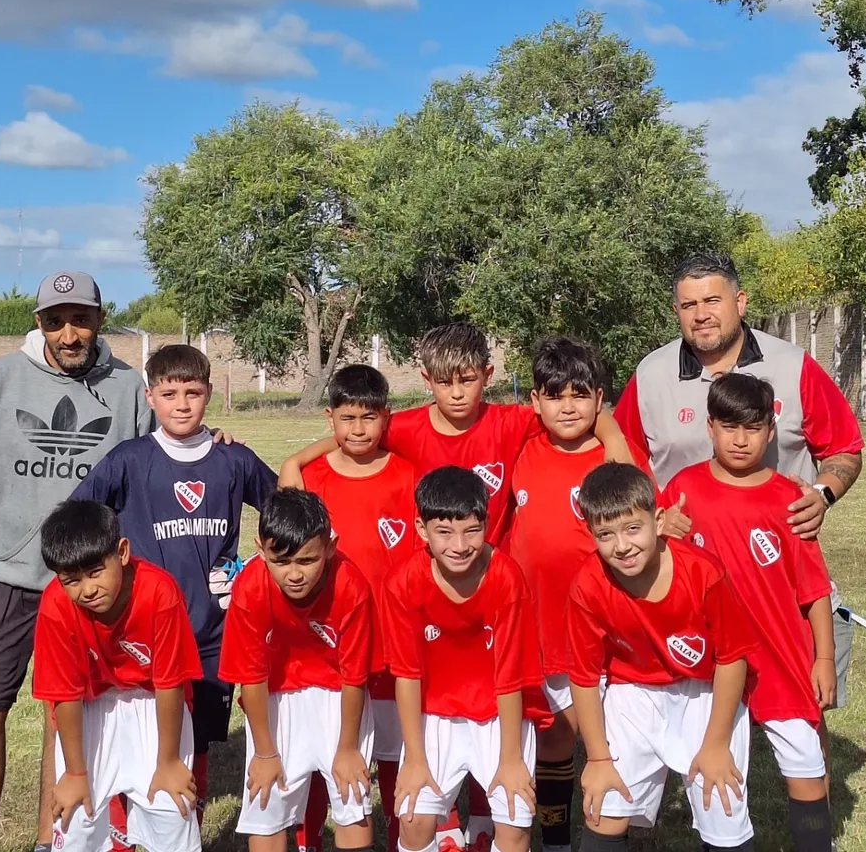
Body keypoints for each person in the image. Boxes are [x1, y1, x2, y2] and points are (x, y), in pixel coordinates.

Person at [281, 324, 633, 852]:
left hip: (494, 591)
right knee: (440, 698)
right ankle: (444, 818)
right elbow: (357, 429)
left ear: (487, 375)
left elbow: (576, 404)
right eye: (444, 382)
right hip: (431, 595)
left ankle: (491, 818)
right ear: (426, 381)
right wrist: (295, 462)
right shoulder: (405, 427)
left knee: (498, 701)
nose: (457, 392)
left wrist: (617, 440)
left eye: (468, 379)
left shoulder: (509, 420)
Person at [0, 271, 152, 852]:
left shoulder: (128, 389)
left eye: (81, 319)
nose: (69, 333)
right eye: (56, 321)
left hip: (87, 583)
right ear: (39, 324)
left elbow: (154, 467)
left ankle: (49, 843)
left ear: (100, 320)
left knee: (65, 720)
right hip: (3, 581)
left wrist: (212, 441)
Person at [613, 251, 864, 712]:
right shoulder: (651, 374)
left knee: (803, 713)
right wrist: (653, 515)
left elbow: (845, 447)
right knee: (691, 712)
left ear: (740, 301)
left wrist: (823, 494)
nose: (701, 315)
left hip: (775, 576)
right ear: (676, 311)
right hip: (685, 576)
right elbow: (623, 455)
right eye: (689, 305)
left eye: (713, 300)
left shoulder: (792, 365)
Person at [71, 343, 277, 835]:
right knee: (133, 739)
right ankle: (121, 836)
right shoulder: (129, 459)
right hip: (143, 631)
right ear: (150, 397)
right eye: (169, 394)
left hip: (210, 631)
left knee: (197, 742)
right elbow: (79, 518)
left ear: (210, 393)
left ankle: (186, 831)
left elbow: (287, 510)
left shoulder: (233, 458)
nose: (182, 404)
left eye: (193, 393)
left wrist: (256, 568)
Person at [659, 374, 836, 851]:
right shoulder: (683, 489)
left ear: (770, 431)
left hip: (780, 654)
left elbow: (814, 590)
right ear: (710, 427)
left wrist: (822, 659)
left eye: (753, 428)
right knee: (716, 769)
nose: (740, 440)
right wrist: (662, 529)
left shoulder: (789, 499)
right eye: (729, 427)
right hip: (711, 662)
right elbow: (654, 563)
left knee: (806, 767)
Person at [567, 463, 759, 851]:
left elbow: (731, 658)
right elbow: (584, 677)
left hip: (704, 693)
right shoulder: (588, 585)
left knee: (721, 802)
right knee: (604, 807)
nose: (622, 546)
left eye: (632, 528)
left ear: (658, 521)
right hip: (632, 694)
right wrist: (598, 758)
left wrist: (716, 743)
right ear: (591, 534)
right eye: (605, 534)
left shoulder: (703, 573)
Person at [507, 337, 650, 852]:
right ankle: (556, 841)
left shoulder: (616, 462)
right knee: (553, 736)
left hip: (600, 630)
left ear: (599, 400)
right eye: (554, 395)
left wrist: (613, 435)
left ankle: (616, 829)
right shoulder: (522, 448)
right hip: (537, 627)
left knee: (608, 737)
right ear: (535, 401)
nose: (567, 407)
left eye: (581, 395)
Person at [382, 466, 549, 852]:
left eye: (471, 531)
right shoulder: (402, 583)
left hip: (499, 714)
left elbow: (510, 676)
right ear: (421, 529)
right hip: (434, 713)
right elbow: (407, 675)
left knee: (514, 824)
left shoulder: (506, 578)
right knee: (414, 820)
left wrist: (511, 759)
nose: (459, 545)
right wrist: (415, 759)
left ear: (487, 524)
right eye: (444, 532)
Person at [32, 500, 202, 852]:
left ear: (122, 552)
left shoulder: (159, 591)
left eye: (95, 572)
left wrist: (168, 761)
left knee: (171, 808)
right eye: (71, 580)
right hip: (89, 705)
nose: (87, 590)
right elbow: (65, 695)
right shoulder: (55, 604)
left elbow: (170, 683)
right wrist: (75, 774)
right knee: (75, 816)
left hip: (153, 702)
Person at [218, 490, 376, 852]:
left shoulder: (351, 586)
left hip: (338, 695)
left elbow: (354, 676)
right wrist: (264, 754)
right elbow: (251, 678)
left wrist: (347, 747)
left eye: (307, 560)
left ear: (330, 547)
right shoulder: (250, 587)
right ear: (260, 550)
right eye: (281, 561)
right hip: (275, 695)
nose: (294, 574)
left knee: (352, 795)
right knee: (266, 798)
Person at [301, 364, 417, 852]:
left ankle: (402, 839)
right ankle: (308, 838)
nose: (358, 429)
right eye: (347, 418)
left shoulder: (408, 476)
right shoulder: (311, 478)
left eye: (369, 418)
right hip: (328, 642)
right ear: (329, 418)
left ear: (385, 417)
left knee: (394, 748)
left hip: (392, 638)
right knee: (320, 751)